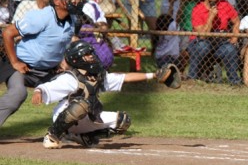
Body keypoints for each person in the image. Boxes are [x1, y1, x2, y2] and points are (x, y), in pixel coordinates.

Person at [32, 40, 181, 149]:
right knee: (81, 104)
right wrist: (39, 92)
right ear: (77, 59)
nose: (92, 56)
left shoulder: (98, 76)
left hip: (85, 117)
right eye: (87, 55)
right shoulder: (70, 78)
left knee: (122, 120)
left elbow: (125, 77)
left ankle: (83, 136)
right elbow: (46, 87)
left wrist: (154, 75)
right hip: (64, 115)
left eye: (91, 53)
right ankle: (52, 134)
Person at [0, 0, 84, 127]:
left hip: (47, 71)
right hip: (22, 66)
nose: (76, 2)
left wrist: (61, 62)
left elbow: (61, 44)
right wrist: (14, 62)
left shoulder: (73, 21)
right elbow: (8, 33)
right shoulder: (41, 17)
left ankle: (71, 131)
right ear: (57, 1)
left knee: (77, 90)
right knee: (18, 94)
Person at [187, 0, 242, 85]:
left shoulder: (224, 4)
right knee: (203, 46)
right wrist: (211, 17)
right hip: (200, 41)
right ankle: (192, 77)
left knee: (230, 49)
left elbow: (237, 21)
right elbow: (203, 36)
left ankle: (234, 81)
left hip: (219, 41)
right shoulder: (197, 9)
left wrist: (234, 38)